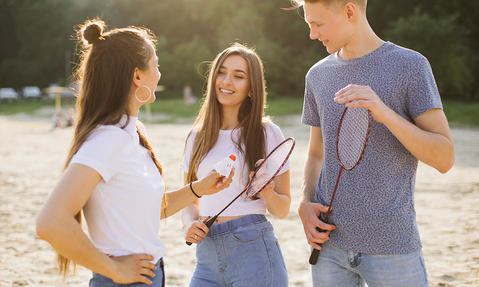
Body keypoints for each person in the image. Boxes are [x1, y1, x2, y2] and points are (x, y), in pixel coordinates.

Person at [35, 19, 232, 287]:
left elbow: (151, 209)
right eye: (156, 64)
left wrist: (199, 188)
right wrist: (115, 270)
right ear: (137, 76)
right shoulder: (109, 139)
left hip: (149, 276)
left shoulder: (132, 131)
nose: (160, 73)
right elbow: (50, 222)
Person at [290, 0, 455, 286]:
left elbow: (445, 157)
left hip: (392, 251)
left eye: (318, 23)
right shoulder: (317, 76)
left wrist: (385, 113)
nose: (312, 34)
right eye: (309, 24)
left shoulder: (410, 67)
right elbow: (316, 153)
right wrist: (304, 204)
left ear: (349, 11)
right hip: (328, 250)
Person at [181, 43, 291, 287]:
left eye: (238, 76)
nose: (226, 81)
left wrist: (268, 192)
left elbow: (282, 209)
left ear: (251, 89)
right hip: (207, 257)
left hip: (254, 252)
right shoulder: (195, 137)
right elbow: (189, 198)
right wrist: (189, 224)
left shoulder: (268, 133)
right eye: (221, 72)